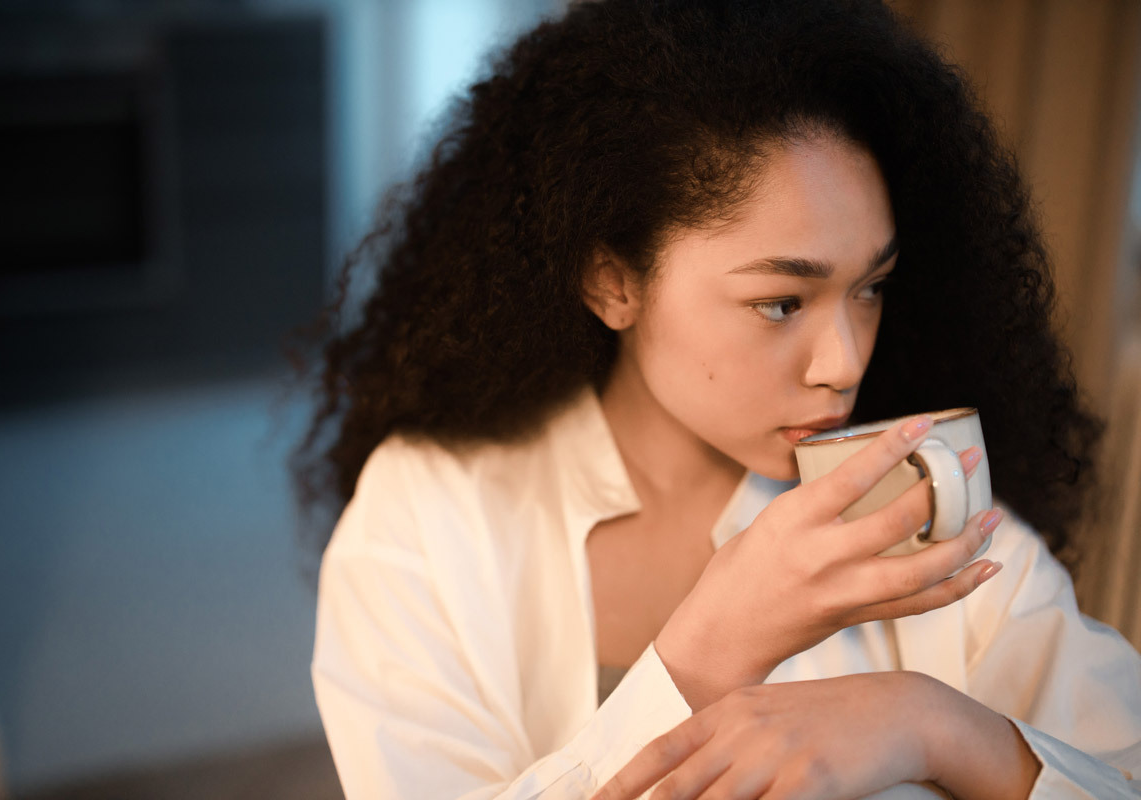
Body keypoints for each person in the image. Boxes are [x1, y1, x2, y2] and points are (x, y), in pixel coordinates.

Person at [295, 0, 1141, 797]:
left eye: (872, 287)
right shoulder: (428, 516)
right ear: (612, 281)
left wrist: (936, 724)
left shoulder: (922, 506)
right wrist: (708, 652)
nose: (842, 363)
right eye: (781, 302)